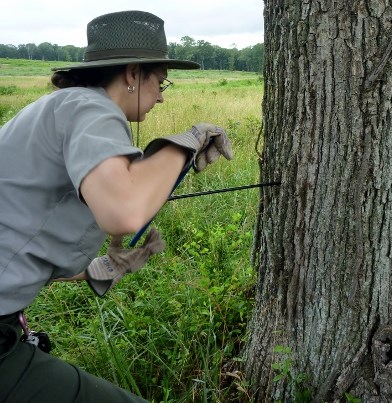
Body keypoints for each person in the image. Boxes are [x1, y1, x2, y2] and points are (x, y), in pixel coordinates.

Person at [0, 10, 232, 402]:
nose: (161, 94)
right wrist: (184, 144)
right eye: (160, 81)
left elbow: (20, 241)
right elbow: (124, 212)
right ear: (131, 73)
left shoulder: (62, 107)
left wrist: (102, 268)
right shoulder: (91, 109)